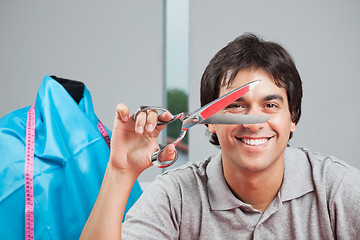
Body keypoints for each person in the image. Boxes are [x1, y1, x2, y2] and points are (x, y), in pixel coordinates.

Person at [80, 33, 360, 239]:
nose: (252, 122)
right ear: (210, 122)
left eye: (270, 105)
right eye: (236, 106)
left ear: (292, 119)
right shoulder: (175, 196)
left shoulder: (337, 190)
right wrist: (120, 171)